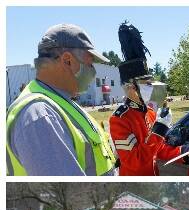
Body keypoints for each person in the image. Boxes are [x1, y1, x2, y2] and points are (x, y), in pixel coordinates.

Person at [6, 24, 116, 176]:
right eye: (89, 63)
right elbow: (72, 191)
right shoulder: (39, 115)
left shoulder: (59, 102)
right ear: (67, 61)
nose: (93, 71)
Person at [109, 23, 189, 176]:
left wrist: (183, 151)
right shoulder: (119, 120)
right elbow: (135, 162)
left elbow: (159, 149)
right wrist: (160, 129)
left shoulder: (149, 111)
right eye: (145, 84)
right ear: (131, 87)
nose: (151, 88)